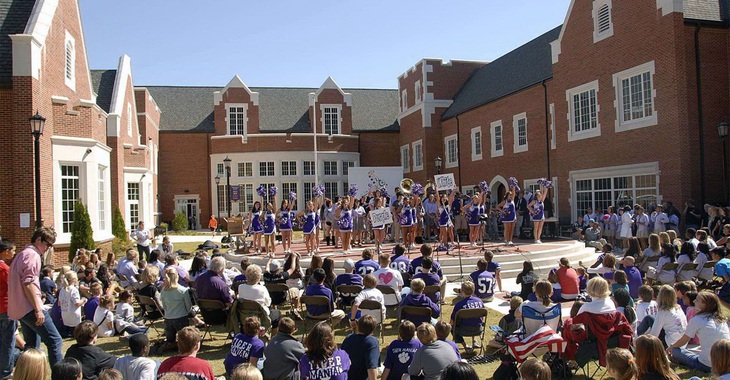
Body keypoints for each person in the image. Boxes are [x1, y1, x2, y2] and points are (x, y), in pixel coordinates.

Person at [9, 228, 64, 366]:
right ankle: (60, 376)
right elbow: (28, 283)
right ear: (38, 239)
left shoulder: (22, 254)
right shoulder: (32, 255)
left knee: (32, 347)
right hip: (30, 308)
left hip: (20, 308)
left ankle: (29, 375)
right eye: (47, 244)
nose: (48, 248)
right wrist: (38, 309)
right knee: (55, 341)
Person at [667, 292, 730, 373]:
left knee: (675, 350)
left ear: (704, 305)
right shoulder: (722, 320)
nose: (694, 301)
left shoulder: (697, 319)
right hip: (725, 363)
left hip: (707, 365)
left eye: (697, 300)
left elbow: (683, 341)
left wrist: (671, 348)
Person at [160, 268, 198, 350]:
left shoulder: (163, 291)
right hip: (181, 317)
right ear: (177, 277)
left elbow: (164, 306)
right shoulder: (183, 291)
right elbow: (188, 307)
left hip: (168, 318)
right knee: (185, 337)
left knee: (170, 338)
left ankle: (170, 344)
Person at [341, 315, 380, 380]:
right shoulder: (372, 342)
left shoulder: (348, 338)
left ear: (358, 326)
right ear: (373, 329)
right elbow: (371, 367)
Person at [450, 281, 485, 351]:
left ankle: (465, 346)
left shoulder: (459, 305)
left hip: (463, 330)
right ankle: (475, 340)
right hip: (478, 329)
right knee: (473, 319)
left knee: (451, 328)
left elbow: (452, 321)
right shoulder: (480, 301)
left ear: (462, 291)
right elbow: (482, 318)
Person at [0, 239, 16, 378]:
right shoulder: (5, 269)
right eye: (13, 250)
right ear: (6, 252)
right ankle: (6, 371)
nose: (14, 253)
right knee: (8, 341)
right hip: (6, 308)